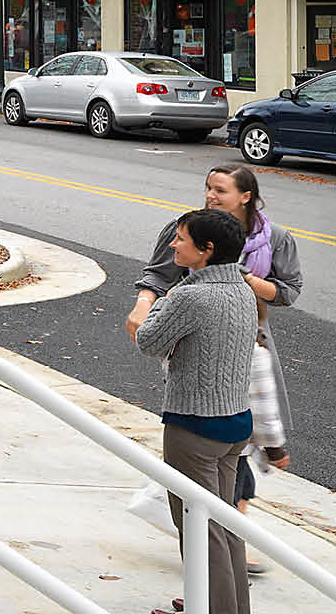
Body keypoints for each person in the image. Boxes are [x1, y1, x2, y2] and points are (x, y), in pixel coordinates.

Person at [129, 165, 301, 538]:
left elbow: (288, 290)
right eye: (208, 187)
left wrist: (246, 282)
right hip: (200, 347)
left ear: (245, 196)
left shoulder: (272, 242)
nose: (210, 195)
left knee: (204, 510)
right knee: (223, 482)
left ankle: (218, 572)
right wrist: (147, 304)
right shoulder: (191, 230)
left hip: (236, 350)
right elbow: (157, 275)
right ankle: (229, 560)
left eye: (220, 190)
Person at [133, 208, 259, 614]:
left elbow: (148, 341)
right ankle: (229, 605)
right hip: (235, 423)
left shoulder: (189, 296)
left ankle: (214, 608)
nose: (173, 244)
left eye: (181, 239)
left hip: (194, 426)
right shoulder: (242, 288)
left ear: (206, 251)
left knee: (199, 528)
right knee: (225, 525)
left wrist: (161, 303)